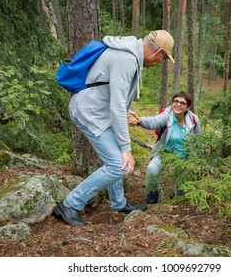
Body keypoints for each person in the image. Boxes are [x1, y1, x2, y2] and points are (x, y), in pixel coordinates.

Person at [53, 30, 176, 226]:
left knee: (118, 162)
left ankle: (118, 203)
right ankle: (70, 204)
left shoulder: (126, 51)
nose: (160, 63)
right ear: (158, 51)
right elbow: (116, 105)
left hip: (99, 112)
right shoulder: (126, 60)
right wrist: (127, 149)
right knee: (118, 165)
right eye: (163, 58)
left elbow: (112, 93)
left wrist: (126, 112)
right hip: (91, 114)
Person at [128, 91, 201, 204]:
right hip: (164, 153)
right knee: (152, 169)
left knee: (182, 180)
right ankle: (152, 202)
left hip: (184, 157)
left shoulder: (194, 120)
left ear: (187, 107)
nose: (178, 104)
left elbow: (198, 142)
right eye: (176, 101)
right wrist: (140, 121)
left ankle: (178, 203)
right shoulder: (167, 115)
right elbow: (154, 121)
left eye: (182, 103)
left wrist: (196, 161)